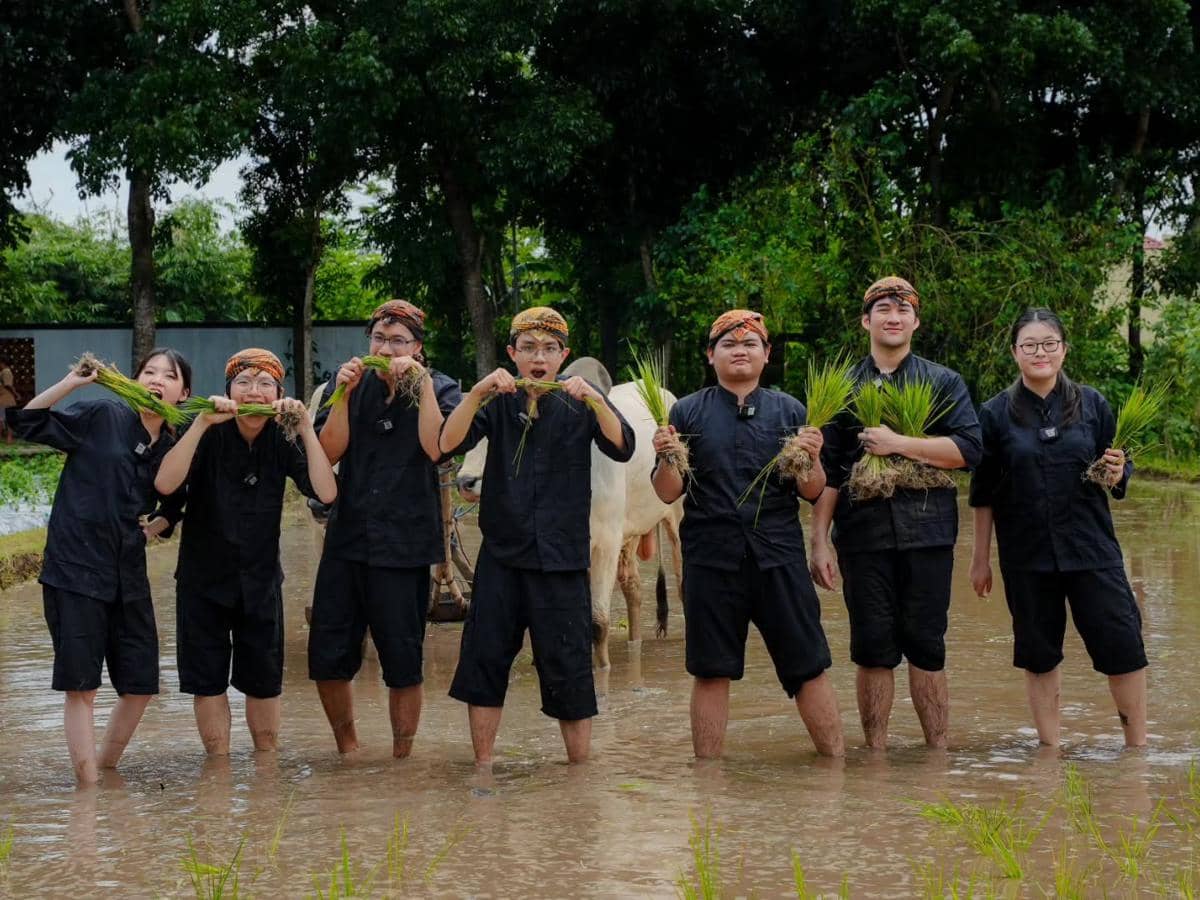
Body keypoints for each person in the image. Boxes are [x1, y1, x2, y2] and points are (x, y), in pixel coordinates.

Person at [437, 306, 634, 765]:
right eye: (528, 349)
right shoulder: (498, 403)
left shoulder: (580, 403)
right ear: (513, 354)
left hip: (563, 562)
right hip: (502, 559)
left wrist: (598, 400)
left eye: (548, 349)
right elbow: (446, 443)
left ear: (563, 356)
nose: (538, 358)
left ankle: (577, 777)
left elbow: (623, 447)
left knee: (571, 672)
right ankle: (483, 766)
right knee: (484, 664)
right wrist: (479, 392)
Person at [650, 310, 844, 758]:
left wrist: (812, 457)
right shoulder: (686, 412)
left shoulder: (791, 410)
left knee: (809, 665)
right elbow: (666, 493)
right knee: (710, 669)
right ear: (710, 355)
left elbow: (813, 492)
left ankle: (836, 767)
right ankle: (708, 779)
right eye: (728, 344)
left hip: (778, 558)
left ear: (766, 354)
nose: (740, 350)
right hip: (710, 559)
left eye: (751, 343)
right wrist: (665, 455)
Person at [810, 277, 981, 749]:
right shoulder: (842, 386)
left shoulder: (942, 382)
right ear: (866, 320)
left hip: (928, 534)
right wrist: (820, 540)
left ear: (916, 322)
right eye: (883, 308)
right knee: (872, 649)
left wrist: (898, 444)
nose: (894, 316)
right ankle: (877, 755)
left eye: (903, 310)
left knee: (928, 646)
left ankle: (937, 754)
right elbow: (830, 472)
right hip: (862, 537)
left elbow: (969, 450)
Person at [5, 349, 191, 784]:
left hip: (128, 573)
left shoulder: (174, 447)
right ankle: (88, 791)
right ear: (135, 379)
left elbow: (178, 502)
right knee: (82, 685)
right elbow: (27, 421)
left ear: (184, 394)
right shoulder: (102, 413)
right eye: (149, 372)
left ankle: (107, 769)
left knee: (142, 684)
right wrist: (73, 383)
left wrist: (156, 526)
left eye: (169, 376)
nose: (157, 380)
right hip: (75, 567)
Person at [969, 308, 1147, 747]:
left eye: (1049, 343)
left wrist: (1117, 471)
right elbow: (983, 491)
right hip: (1026, 554)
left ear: (1064, 349)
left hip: (1091, 549)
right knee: (1038, 653)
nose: (1040, 352)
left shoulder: (1092, 404)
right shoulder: (994, 414)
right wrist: (980, 560)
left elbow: (1121, 470)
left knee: (1122, 644)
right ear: (1015, 353)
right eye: (1029, 345)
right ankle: (1050, 751)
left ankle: (1137, 748)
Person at [154, 349, 337, 755]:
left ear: (278, 394)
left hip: (260, 584)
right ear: (228, 391)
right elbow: (165, 485)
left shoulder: (283, 439)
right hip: (202, 583)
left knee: (264, 683)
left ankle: (265, 776)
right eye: (244, 382)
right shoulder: (205, 430)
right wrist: (201, 422)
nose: (254, 391)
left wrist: (306, 426)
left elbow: (326, 492)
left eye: (265, 384)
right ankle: (217, 774)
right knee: (207, 682)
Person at [308, 300, 462, 757]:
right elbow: (328, 453)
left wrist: (421, 385)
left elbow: (440, 449)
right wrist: (341, 394)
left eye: (398, 341)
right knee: (328, 659)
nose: (386, 348)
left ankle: (402, 757)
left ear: (417, 348)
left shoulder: (440, 386)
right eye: (379, 338)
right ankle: (349, 748)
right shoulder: (349, 385)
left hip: (407, 544)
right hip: (348, 539)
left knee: (403, 661)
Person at [0, 358, 18, 443]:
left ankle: (7, 438)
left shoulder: (4, 372)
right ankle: (9, 438)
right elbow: (8, 385)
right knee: (8, 417)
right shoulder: (5, 371)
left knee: (3, 418)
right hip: (6, 397)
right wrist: (16, 394)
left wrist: (15, 394)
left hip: (4, 397)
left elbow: (7, 385)